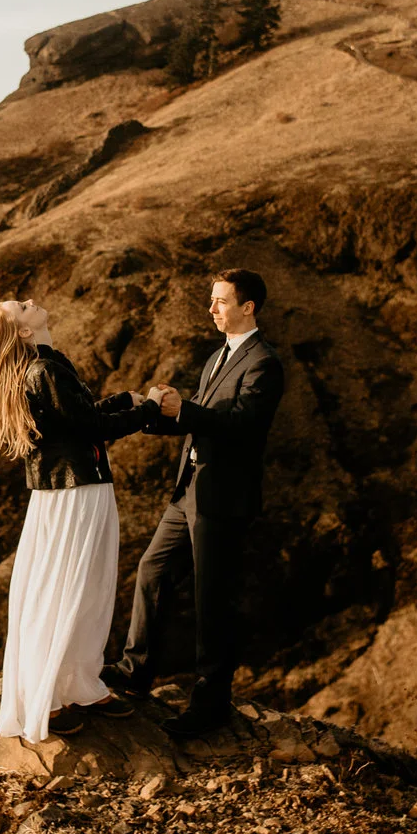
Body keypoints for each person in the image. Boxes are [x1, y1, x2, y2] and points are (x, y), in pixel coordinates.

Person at [0, 297, 158, 743]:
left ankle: (79, 684)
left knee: (81, 589)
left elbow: (77, 418)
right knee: (72, 589)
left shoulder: (45, 367)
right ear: (24, 331)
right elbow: (93, 429)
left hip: (71, 491)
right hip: (75, 493)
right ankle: (48, 697)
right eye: (21, 307)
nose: (30, 301)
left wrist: (127, 399)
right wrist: (148, 412)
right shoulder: (42, 371)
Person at [103, 268, 287, 739]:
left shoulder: (265, 362)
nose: (211, 309)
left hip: (223, 499)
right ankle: (134, 673)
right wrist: (152, 415)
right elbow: (199, 422)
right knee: (152, 571)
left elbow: (243, 424)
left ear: (248, 307)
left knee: (212, 601)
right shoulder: (216, 357)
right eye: (212, 300)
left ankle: (209, 705)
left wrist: (183, 409)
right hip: (189, 491)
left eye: (220, 301)